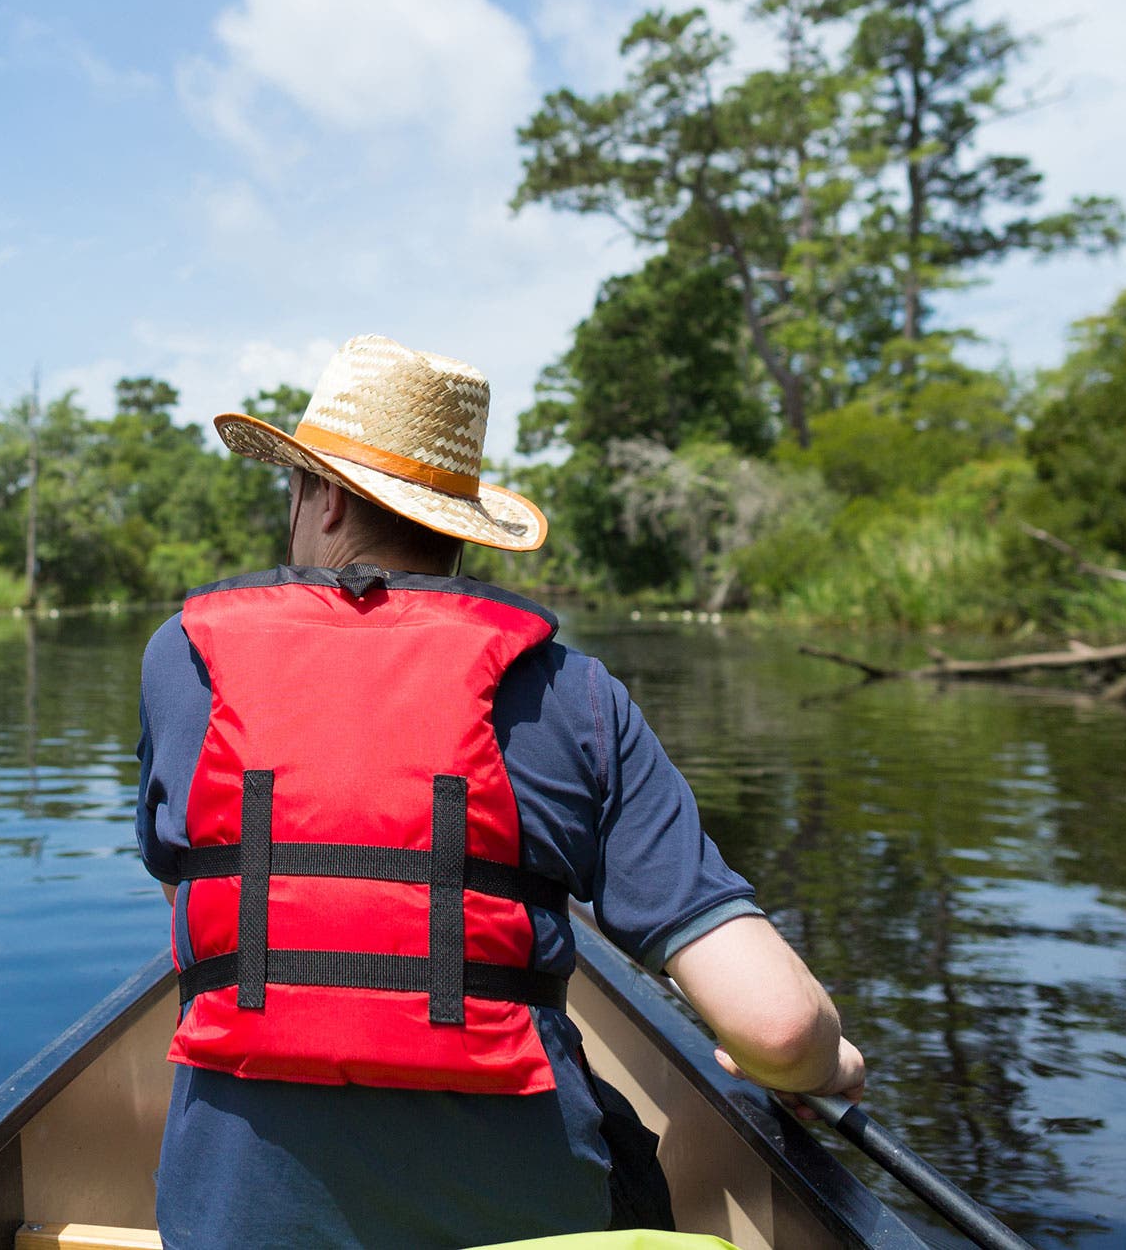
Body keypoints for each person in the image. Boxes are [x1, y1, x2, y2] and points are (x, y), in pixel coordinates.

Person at [136, 335, 866, 1248]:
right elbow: (777, 1023)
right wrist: (820, 1059)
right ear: (460, 528)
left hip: (234, 1225)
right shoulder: (573, 692)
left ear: (319, 497)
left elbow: (193, 907)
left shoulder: (184, 661)